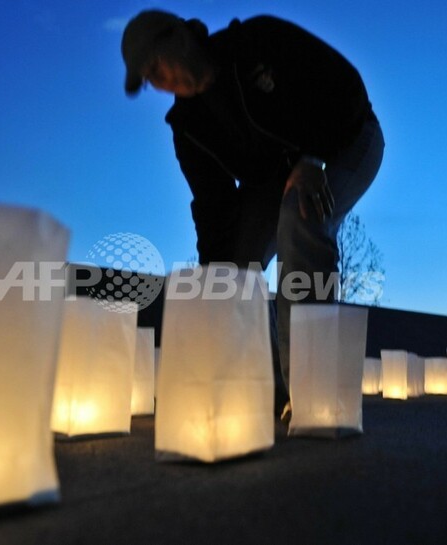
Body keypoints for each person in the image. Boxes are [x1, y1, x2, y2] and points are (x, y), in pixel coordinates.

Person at [121, 10, 384, 416]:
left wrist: (313, 157)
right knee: (231, 269)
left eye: (156, 67)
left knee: (303, 215)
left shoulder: (258, 42)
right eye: (151, 80)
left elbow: (342, 85)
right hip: (277, 176)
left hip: (347, 138)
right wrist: (214, 281)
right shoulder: (188, 127)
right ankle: (265, 393)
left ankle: (311, 390)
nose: (160, 83)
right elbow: (212, 205)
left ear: (177, 37)